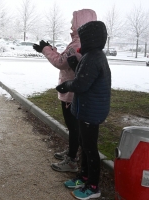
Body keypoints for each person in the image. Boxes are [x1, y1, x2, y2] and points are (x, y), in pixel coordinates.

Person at [32, 9, 97, 173]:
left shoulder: (77, 44)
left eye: (73, 23)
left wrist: (46, 50)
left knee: (73, 126)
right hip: (76, 90)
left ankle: (72, 159)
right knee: (74, 127)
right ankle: (71, 153)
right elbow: (65, 57)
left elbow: (60, 62)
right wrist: (50, 49)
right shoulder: (85, 42)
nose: (71, 26)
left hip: (71, 92)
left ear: (80, 23)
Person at [55, 20, 111, 199]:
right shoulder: (92, 55)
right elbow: (85, 75)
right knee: (84, 143)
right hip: (86, 108)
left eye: (83, 37)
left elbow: (81, 83)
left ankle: (93, 186)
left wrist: (65, 85)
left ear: (91, 38)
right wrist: (74, 64)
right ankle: (84, 176)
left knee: (90, 148)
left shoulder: (94, 57)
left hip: (91, 110)